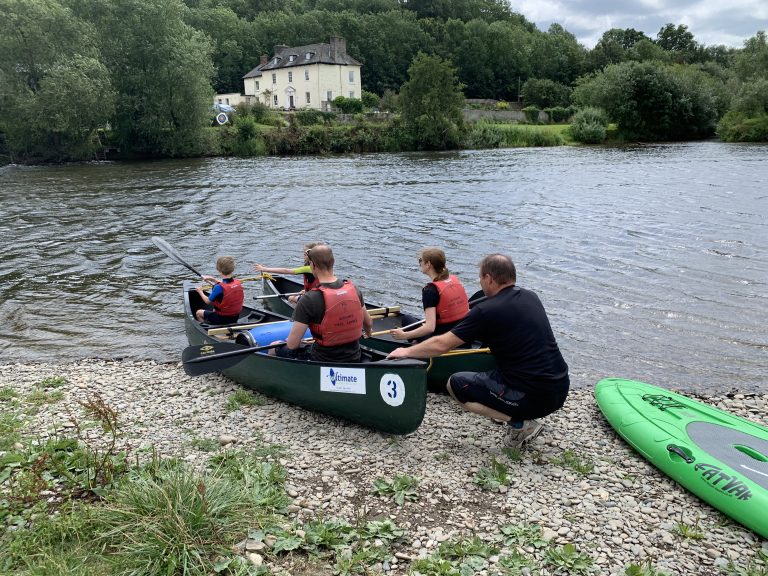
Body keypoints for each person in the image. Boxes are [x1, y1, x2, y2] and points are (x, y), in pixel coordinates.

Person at [387, 254, 569, 448]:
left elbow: (441, 345)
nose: (480, 282)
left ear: (489, 278)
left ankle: (522, 424)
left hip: (533, 397)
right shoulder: (531, 296)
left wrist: (406, 352)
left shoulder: (485, 310)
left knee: (456, 384)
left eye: (480, 277)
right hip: (561, 387)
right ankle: (513, 410)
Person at [272, 244, 373, 362]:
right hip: (354, 356)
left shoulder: (308, 299)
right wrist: (368, 333)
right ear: (333, 262)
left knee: (274, 346)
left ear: (313, 265)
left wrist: (301, 342)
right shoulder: (354, 289)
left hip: (322, 358)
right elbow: (368, 323)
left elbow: (292, 345)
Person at [390, 247, 469, 342]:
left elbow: (430, 328)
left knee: (406, 319)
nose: (420, 263)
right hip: (462, 336)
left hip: (441, 341)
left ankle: (417, 345)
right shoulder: (455, 280)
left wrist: (403, 335)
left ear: (428, 264)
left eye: (421, 260)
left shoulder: (430, 290)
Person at [252, 242, 322, 303]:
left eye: (304, 254)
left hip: (312, 299)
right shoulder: (322, 266)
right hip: (317, 294)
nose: (303, 256)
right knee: (299, 293)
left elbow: (286, 270)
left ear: (310, 256)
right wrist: (306, 291)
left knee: (290, 298)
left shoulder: (308, 268)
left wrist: (265, 269)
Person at [195, 256, 244, 325]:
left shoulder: (218, 288)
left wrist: (200, 291)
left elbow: (207, 301)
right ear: (232, 269)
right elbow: (226, 285)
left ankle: (206, 327)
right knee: (215, 307)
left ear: (219, 270)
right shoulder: (237, 282)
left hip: (222, 319)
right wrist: (213, 280)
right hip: (235, 317)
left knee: (198, 313)